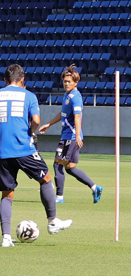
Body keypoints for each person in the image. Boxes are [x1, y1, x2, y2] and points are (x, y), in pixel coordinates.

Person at [0, 64, 73, 247]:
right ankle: (52, 221)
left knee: (7, 195)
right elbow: (36, 120)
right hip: (23, 149)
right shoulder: (29, 96)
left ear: (5, 80)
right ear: (22, 80)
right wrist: (31, 132)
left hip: (2, 152)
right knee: (46, 179)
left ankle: (5, 237)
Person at [38, 65, 103, 204]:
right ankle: (95, 187)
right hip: (69, 136)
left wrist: (77, 135)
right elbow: (63, 114)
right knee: (70, 168)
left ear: (76, 82)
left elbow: (78, 117)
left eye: (69, 81)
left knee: (57, 164)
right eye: (65, 81)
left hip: (71, 137)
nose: (66, 83)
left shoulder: (76, 97)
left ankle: (59, 197)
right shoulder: (67, 95)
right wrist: (49, 124)